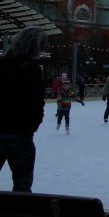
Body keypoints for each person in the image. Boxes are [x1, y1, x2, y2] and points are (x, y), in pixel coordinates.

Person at [0, 26, 47, 192]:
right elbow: (35, 103)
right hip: (19, 135)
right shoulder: (31, 70)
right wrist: (30, 128)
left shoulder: (2, 65)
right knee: (22, 185)